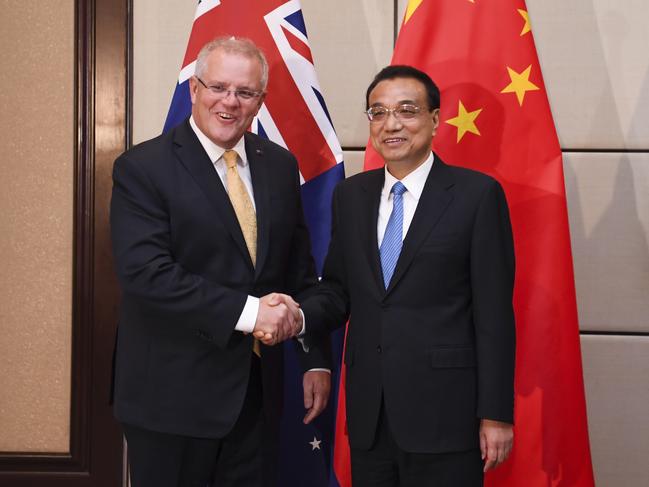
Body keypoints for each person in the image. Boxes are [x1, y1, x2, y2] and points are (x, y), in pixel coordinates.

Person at [277, 65, 516, 486]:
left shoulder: (477, 196)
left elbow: (494, 315)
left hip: (446, 416)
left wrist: (495, 414)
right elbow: (337, 290)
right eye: (378, 112)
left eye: (407, 111)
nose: (392, 124)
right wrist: (297, 316)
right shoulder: (351, 196)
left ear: (434, 119)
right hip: (371, 416)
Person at [110, 36, 331, 487]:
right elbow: (147, 274)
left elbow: (299, 273)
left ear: (260, 102)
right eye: (218, 87)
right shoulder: (143, 167)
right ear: (194, 89)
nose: (229, 102)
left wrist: (314, 359)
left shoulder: (279, 166)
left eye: (245, 93)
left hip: (255, 398)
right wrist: (253, 314)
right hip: (170, 402)